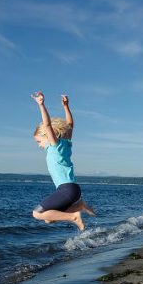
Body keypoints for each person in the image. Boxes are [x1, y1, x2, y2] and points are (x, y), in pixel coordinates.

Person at [31, 92, 95, 231]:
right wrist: (66, 106)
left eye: (39, 141)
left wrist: (41, 105)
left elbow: (47, 125)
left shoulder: (54, 145)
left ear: (46, 136)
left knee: (36, 213)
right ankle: (79, 206)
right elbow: (70, 125)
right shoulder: (65, 144)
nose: (39, 145)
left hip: (66, 190)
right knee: (48, 219)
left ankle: (74, 216)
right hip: (73, 190)